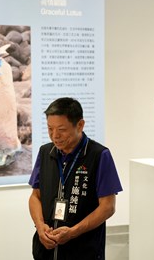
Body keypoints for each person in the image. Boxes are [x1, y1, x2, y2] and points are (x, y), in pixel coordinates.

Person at [28, 97, 123, 260]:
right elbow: (36, 196)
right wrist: (40, 226)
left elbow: (108, 207)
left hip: (83, 251)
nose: (55, 136)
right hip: (46, 250)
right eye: (50, 129)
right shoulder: (45, 152)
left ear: (80, 125)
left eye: (61, 129)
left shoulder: (99, 155)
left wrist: (73, 232)